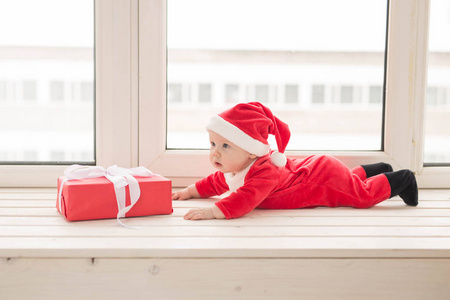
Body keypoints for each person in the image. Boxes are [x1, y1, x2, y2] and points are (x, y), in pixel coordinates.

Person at [172, 102, 418, 220]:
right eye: (213, 144)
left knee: (361, 197)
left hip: (321, 178)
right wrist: (190, 191)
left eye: (225, 146)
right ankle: (380, 170)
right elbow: (217, 182)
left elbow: (245, 199)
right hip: (317, 170)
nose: (215, 153)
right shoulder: (238, 166)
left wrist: (213, 212)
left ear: (249, 150)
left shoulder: (263, 173)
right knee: (348, 184)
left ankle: (402, 179)